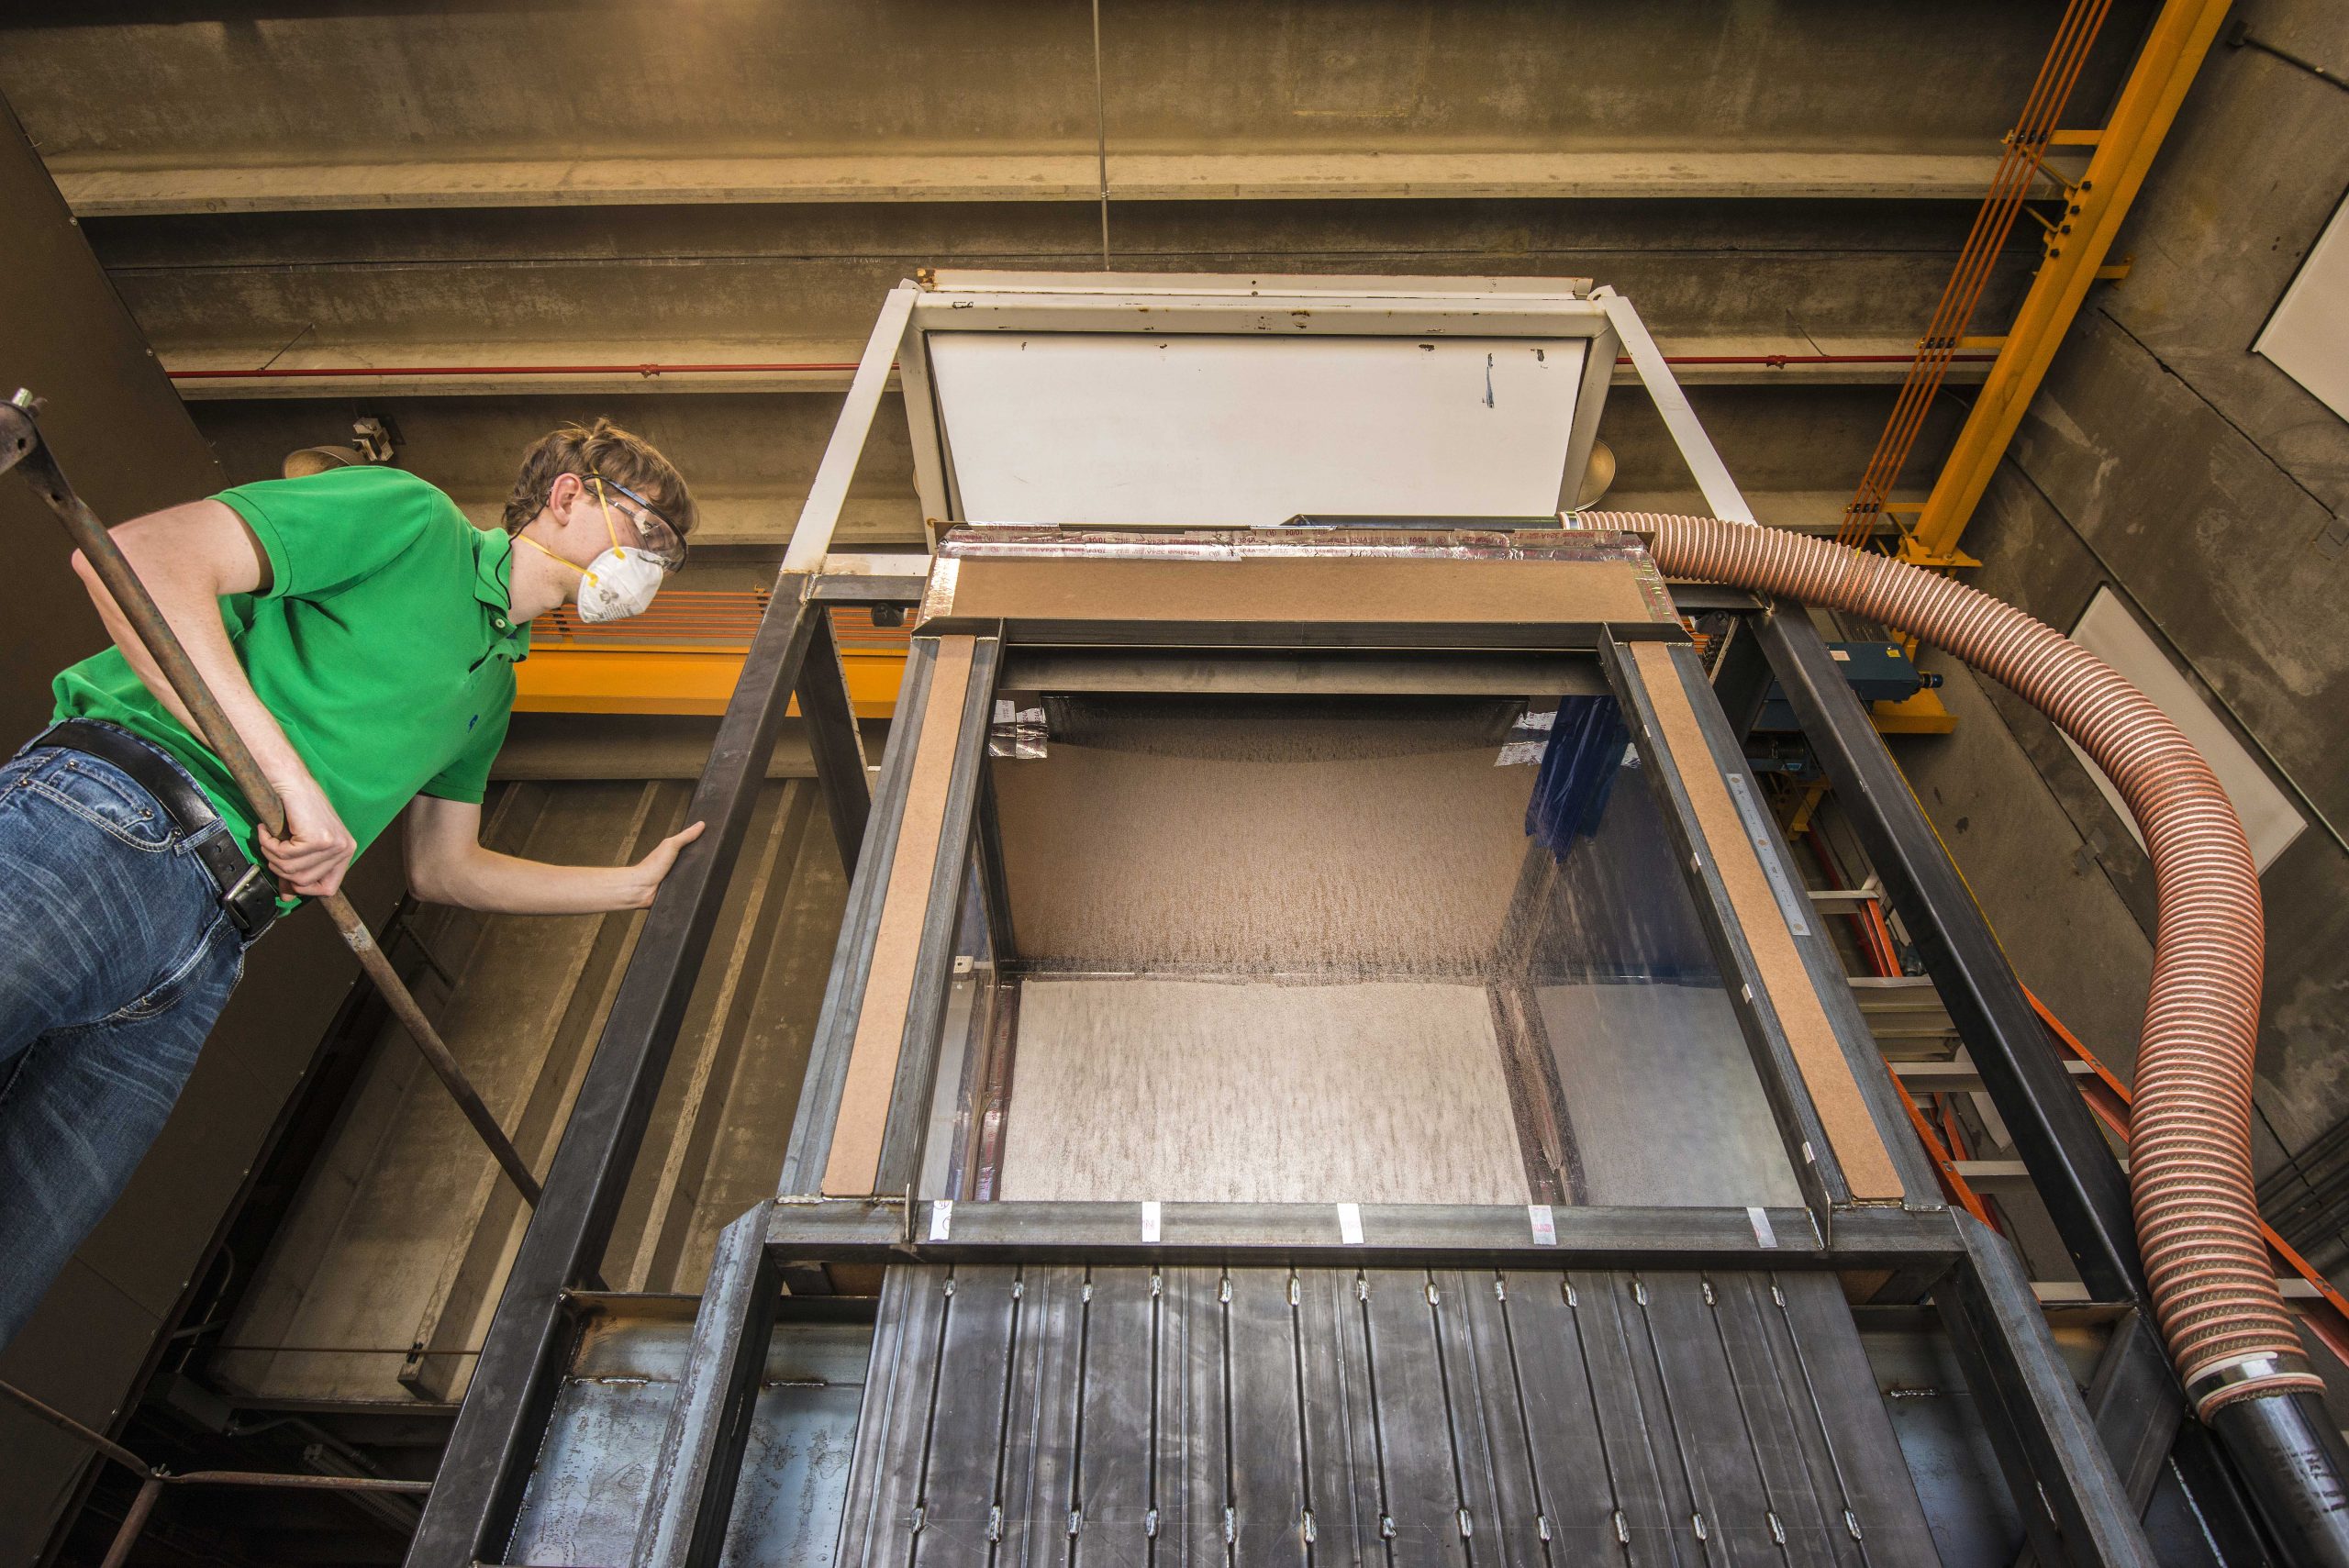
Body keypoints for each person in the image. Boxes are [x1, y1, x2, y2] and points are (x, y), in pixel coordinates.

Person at [0, 418, 704, 1348]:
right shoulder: (408, 517)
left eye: (669, 555)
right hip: (107, 819)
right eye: (647, 532)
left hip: (213, 939)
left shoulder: (492, 688)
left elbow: (443, 866)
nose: (652, 566)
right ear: (568, 496)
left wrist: (626, 888)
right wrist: (292, 784)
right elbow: (137, 559)